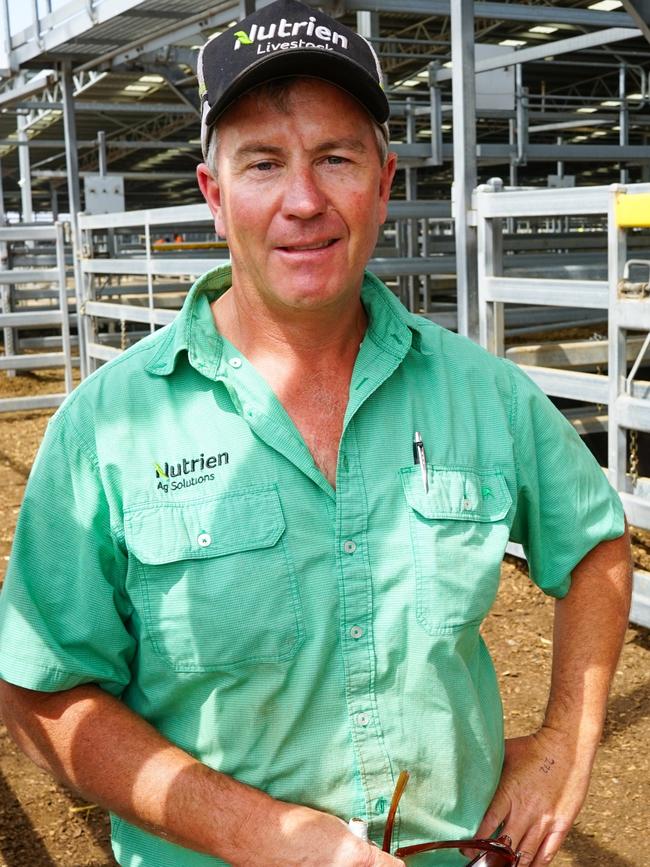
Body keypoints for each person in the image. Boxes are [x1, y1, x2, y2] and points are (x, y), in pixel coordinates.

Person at [0, 1, 632, 865]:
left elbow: (597, 547)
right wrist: (267, 837)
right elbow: (42, 695)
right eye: (263, 164)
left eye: (336, 158)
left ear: (383, 182)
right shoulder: (106, 428)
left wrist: (565, 741)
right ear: (215, 198)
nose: (304, 200)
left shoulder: (482, 393)